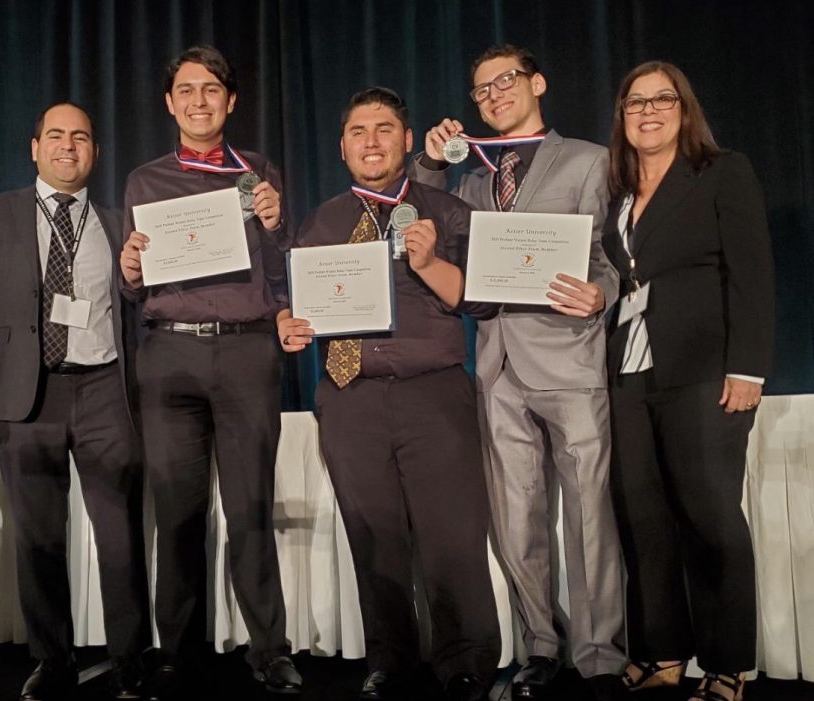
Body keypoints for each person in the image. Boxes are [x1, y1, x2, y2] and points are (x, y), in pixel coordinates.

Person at [410, 44, 626, 700]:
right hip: (497, 363)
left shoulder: (589, 160)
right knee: (514, 516)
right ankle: (541, 643)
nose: (494, 94)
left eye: (505, 81)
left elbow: (616, 256)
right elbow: (417, 205)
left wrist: (602, 293)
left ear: (537, 81)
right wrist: (427, 157)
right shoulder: (472, 175)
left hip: (569, 356)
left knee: (590, 513)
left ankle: (600, 656)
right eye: (480, 90)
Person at [278, 87, 501, 701]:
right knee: (372, 536)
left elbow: (479, 297)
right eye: (358, 131)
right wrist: (290, 326)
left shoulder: (446, 211)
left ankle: (466, 663)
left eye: (384, 129)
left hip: (432, 394)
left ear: (408, 140)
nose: (370, 141)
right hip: (349, 397)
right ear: (342, 145)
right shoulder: (320, 222)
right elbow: (299, 306)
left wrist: (429, 263)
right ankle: (391, 662)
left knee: (451, 535)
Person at [0, 102, 150, 701]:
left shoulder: (117, 223)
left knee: (121, 534)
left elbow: (139, 306)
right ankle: (52, 660)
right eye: (55, 137)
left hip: (107, 389)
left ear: (95, 152)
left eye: (80, 137)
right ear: (34, 148)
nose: (68, 146)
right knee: (37, 537)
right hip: (24, 393)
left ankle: (130, 659)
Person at [119, 45, 300, 698]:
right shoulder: (145, 180)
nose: (199, 100)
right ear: (170, 103)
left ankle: (269, 649)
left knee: (250, 506)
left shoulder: (260, 174)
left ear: (231, 100)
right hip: (169, 352)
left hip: (247, 351)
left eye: (211, 89)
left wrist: (279, 229)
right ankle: (178, 654)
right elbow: (138, 282)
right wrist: (131, 272)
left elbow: (281, 274)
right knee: (178, 512)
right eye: (186, 90)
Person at [602, 61, 774, 701]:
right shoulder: (615, 194)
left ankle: (728, 665)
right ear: (621, 116)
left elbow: (752, 273)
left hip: (706, 373)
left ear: (684, 108)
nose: (648, 111)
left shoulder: (721, 172)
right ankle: (663, 653)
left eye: (661, 99)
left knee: (710, 518)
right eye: (634, 102)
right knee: (643, 518)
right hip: (628, 373)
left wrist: (748, 367)